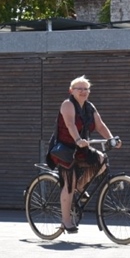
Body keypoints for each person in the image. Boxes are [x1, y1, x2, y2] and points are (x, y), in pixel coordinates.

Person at [47, 76, 120, 233]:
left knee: (101, 160)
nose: (83, 91)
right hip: (64, 150)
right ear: (71, 91)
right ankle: (66, 221)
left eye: (86, 89)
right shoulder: (67, 105)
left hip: (81, 148)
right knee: (69, 183)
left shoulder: (89, 107)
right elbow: (70, 124)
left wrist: (111, 139)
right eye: (79, 89)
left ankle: (79, 188)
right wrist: (78, 139)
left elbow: (100, 125)